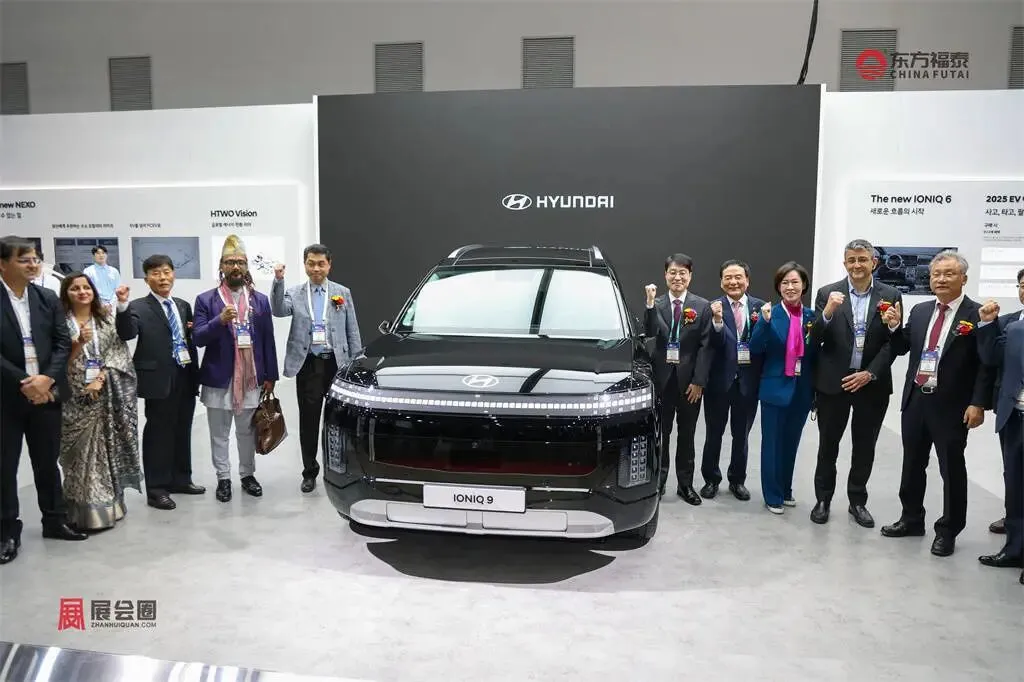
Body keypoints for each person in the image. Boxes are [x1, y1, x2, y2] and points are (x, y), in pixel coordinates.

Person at [879, 250, 993, 557]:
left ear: (963, 278)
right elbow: (902, 347)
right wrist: (893, 327)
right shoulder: (920, 311)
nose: (941, 279)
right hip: (916, 399)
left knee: (951, 468)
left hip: (952, 405)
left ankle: (948, 530)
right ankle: (911, 518)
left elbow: (986, 365)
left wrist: (978, 403)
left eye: (949, 274)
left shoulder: (976, 315)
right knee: (912, 463)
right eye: (936, 274)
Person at [0, 236, 86, 565]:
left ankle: (54, 519)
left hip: (47, 393)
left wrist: (46, 379)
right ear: (3, 264)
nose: (33, 264)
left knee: (48, 461)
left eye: (35, 259)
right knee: (5, 466)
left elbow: (62, 343)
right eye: (24, 260)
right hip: (7, 396)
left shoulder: (47, 297)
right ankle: (7, 530)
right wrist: (25, 382)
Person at [808, 239, 902, 528]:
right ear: (844, 263)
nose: (857, 265)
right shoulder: (828, 293)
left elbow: (894, 345)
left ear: (874, 261)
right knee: (828, 446)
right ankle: (823, 499)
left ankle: (857, 501)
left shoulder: (891, 295)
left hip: (871, 385)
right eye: (851, 260)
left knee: (865, 447)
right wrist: (827, 313)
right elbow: (815, 338)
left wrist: (870, 372)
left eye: (862, 259)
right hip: (833, 384)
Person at [193, 235, 279, 503]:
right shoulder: (206, 300)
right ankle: (223, 478)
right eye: (230, 262)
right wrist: (219, 320)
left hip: (251, 378)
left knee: (247, 431)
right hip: (219, 377)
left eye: (240, 262)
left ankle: (247, 474)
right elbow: (198, 338)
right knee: (219, 434)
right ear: (221, 266)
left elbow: (267, 339)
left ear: (246, 266)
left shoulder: (260, 301)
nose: (235, 267)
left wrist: (271, 376)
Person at [270, 244, 362, 493]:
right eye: (311, 263)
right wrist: (278, 280)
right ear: (305, 265)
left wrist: (355, 364)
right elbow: (278, 310)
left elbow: (352, 330)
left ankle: (342, 469)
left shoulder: (342, 293)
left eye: (321, 263)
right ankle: (309, 472)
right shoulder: (295, 293)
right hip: (308, 364)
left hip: (336, 365)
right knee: (308, 421)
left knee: (339, 421)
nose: (316, 268)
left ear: (329, 265)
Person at [115, 254, 204, 510]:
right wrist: (122, 307)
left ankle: (181, 479)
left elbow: (187, 337)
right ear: (147, 279)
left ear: (173, 274)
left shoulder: (182, 305)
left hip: (185, 374)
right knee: (158, 433)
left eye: (166, 272)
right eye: (155, 273)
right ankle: (156, 489)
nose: (162, 278)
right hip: (158, 378)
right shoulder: (138, 306)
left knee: (182, 428)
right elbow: (126, 333)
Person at [58, 273, 141, 530]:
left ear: (93, 292)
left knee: (103, 452)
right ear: (66, 293)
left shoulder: (105, 320)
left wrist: (102, 377)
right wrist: (78, 343)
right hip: (72, 398)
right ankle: (76, 510)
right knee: (77, 455)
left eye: (86, 287)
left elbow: (119, 353)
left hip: (103, 395)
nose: (82, 292)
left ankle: (104, 509)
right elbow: (56, 361)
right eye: (75, 288)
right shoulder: (60, 323)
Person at [748, 262, 818, 515]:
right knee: (772, 443)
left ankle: (786, 489)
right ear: (779, 287)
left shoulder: (811, 317)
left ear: (804, 285)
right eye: (785, 283)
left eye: (795, 282)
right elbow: (755, 348)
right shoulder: (770, 313)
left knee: (791, 442)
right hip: (775, 387)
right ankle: (772, 495)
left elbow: (815, 354)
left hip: (801, 389)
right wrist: (764, 323)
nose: (790, 287)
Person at [644, 253, 712, 504]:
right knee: (661, 434)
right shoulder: (657, 303)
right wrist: (649, 304)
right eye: (672, 272)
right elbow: (649, 332)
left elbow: (706, 346)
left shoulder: (701, 306)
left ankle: (685, 485)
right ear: (665, 275)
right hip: (662, 381)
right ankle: (659, 482)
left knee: (687, 435)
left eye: (683, 272)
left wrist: (699, 381)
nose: (677, 277)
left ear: (690, 276)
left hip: (689, 384)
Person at [700, 259, 765, 501]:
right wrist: (717, 321)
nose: (733, 282)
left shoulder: (760, 308)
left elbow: (764, 345)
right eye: (728, 277)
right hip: (719, 383)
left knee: (742, 436)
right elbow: (710, 344)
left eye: (738, 277)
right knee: (713, 434)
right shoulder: (712, 308)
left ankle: (737, 480)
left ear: (747, 280)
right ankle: (711, 479)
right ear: (721, 282)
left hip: (748, 383)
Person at [975, 295, 1024, 578]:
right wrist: (986, 324)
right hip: (1014, 416)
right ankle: (1014, 549)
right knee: (1015, 484)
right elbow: (992, 358)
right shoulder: (1014, 326)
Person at [83, 245, 120, 312]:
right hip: (95, 305)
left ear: (106, 255)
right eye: (98, 253)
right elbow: (88, 290)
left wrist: (110, 304)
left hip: (112, 306)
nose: (101, 255)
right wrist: (100, 304)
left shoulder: (114, 271)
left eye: (103, 253)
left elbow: (117, 289)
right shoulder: (88, 271)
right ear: (93, 255)